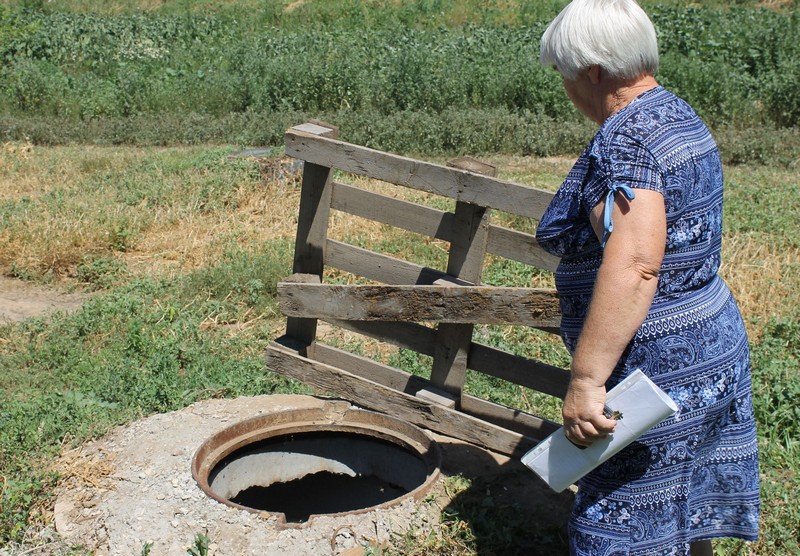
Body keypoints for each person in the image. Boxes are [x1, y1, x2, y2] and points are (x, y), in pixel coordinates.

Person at [534, 1, 760, 554]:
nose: (566, 89)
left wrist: (587, 381)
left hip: (658, 373)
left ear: (591, 72)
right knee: (680, 501)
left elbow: (636, 265)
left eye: (565, 75)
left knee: (621, 517)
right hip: (712, 341)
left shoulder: (626, 142)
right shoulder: (678, 115)